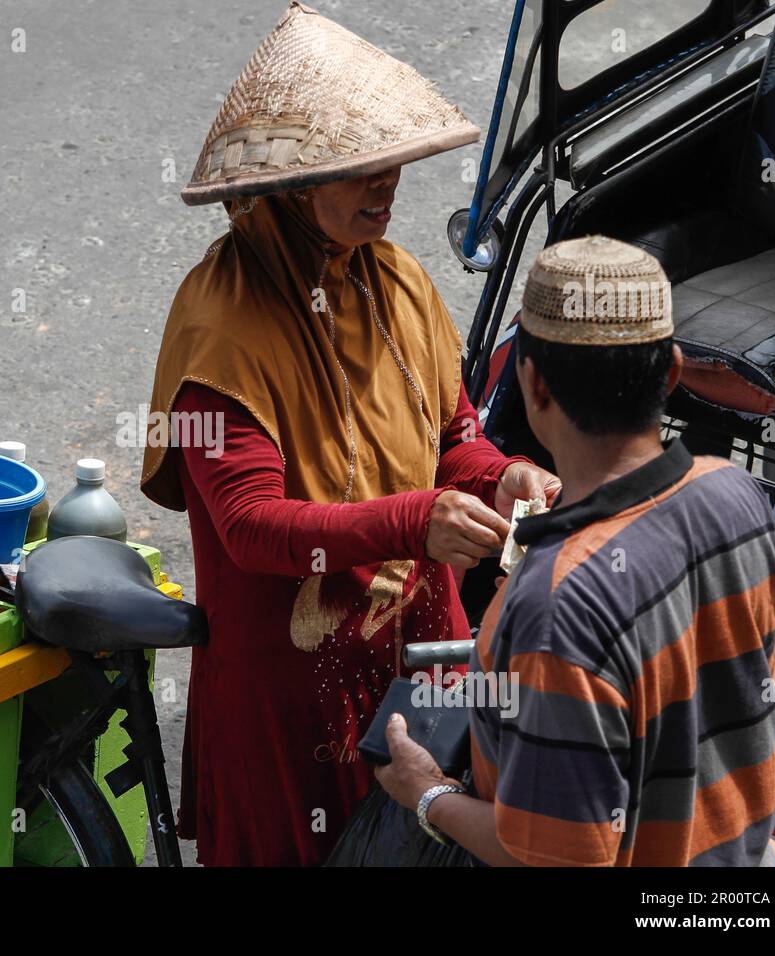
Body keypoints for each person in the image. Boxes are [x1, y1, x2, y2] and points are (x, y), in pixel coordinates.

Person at [140, 3, 558, 866]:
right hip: (292, 693)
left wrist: (502, 476)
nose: (388, 185)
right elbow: (251, 528)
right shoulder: (220, 326)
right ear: (293, 186)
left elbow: (451, 439)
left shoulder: (397, 281)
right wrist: (416, 521)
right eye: (359, 169)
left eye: (393, 163)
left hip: (421, 655)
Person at [375, 236, 775, 866]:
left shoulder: (558, 602)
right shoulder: (735, 496)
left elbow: (554, 859)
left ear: (533, 384)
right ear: (673, 372)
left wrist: (428, 792)